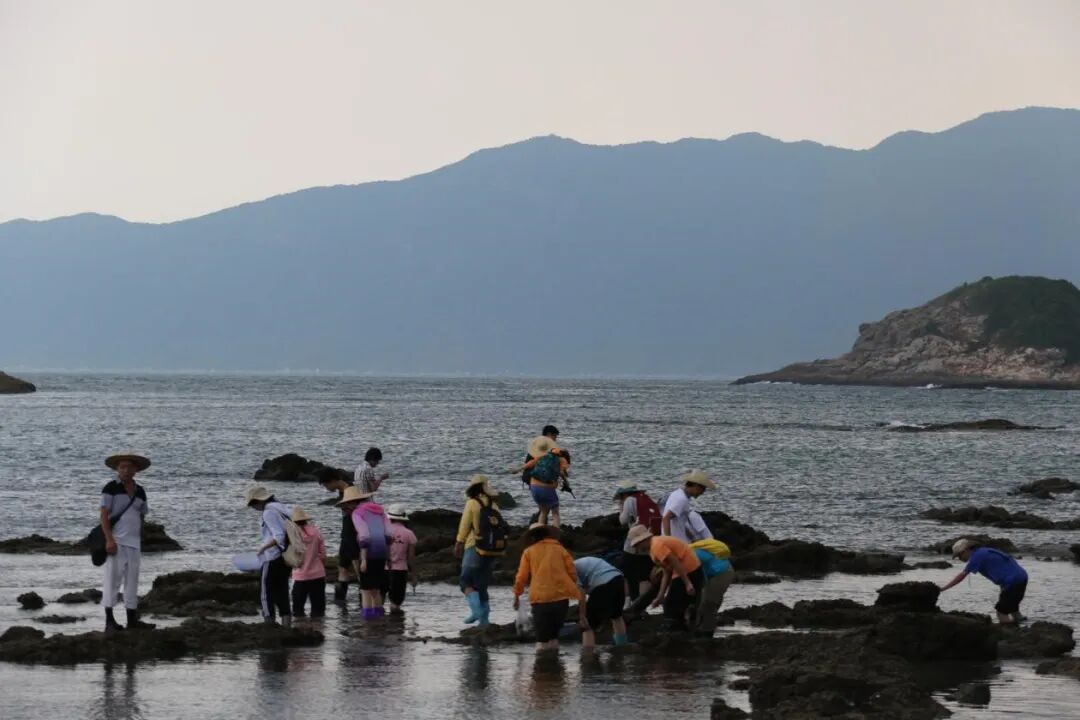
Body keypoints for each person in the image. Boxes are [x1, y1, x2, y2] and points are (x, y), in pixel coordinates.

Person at [100, 453, 154, 633]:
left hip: (134, 543)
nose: (125, 470)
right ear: (117, 469)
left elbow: (141, 515)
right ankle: (109, 621)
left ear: (136, 470)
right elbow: (104, 515)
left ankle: (132, 620)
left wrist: (142, 535)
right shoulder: (110, 487)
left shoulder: (140, 491)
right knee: (112, 581)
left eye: (129, 467)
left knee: (132, 581)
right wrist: (109, 539)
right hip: (117, 541)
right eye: (122, 467)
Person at [512, 524, 587, 653]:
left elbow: (521, 577)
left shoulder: (529, 552)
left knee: (541, 639)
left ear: (532, 537)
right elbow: (572, 572)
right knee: (554, 636)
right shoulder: (561, 549)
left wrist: (517, 596)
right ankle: (554, 663)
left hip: (540, 598)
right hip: (561, 598)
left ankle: (542, 663)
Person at [627, 524, 705, 630]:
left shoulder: (657, 546)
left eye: (637, 545)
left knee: (671, 605)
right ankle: (681, 628)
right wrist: (660, 596)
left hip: (689, 571)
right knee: (674, 603)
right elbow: (667, 571)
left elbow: (675, 561)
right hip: (686, 571)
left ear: (643, 540)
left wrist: (687, 583)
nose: (637, 548)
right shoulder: (653, 548)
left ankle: (676, 630)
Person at [940, 538, 1029, 624]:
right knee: (1013, 608)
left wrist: (944, 588)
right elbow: (1005, 566)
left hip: (1013, 581)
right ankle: (1023, 624)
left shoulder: (976, 557)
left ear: (966, 550)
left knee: (1001, 612)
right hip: (1021, 577)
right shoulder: (985, 551)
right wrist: (1004, 589)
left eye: (959, 555)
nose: (959, 558)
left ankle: (1010, 630)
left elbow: (961, 576)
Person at [454, 475, 503, 627]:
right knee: (482, 585)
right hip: (491, 549)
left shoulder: (472, 503)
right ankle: (484, 622)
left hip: (474, 546)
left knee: (465, 581)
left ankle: (476, 611)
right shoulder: (494, 505)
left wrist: (459, 542)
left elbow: (465, 524)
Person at [245, 485, 293, 626]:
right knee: (282, 590)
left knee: (265, 592)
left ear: (258, 501)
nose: (253, 508)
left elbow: (278, 536)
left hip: (272, 557)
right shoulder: (282, 508)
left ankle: (269, 623)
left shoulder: (268, 512)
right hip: (286, 557)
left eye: (253, 504)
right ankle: (286, 624)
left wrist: (262, 548)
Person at [317, 470, 359, 606]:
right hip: (346, 533)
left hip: (354, 533)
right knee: (342, 566)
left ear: (333, 480)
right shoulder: (343, 491)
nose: (326, 488)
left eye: (325, 485)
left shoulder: (351, 490)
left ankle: (364, 599)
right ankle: (340, 601)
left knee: (358, 566)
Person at [348, 488, 392, 618]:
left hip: (369, 553)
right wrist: (388, 557)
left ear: (354, 502)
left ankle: (367, 620)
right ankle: (378, 618)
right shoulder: (380, 511)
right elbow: (389, 534)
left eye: (348, 503)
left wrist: (363, 560)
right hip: (382, 552)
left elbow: (364, 536)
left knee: (365, 589)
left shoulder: (357, 513)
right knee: (376, 589)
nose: (347, 506)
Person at [615, 481, 662, 600]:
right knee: (644, 575)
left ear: (623, 494)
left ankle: (630, 601)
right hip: (649, 538)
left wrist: (621, 506)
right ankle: (643, 603)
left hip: (635, 541)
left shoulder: (629, 500)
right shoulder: (645, 498)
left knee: (628, 573)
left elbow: (623, 520)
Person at [511, 436, 570, 528]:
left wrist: (518, 469)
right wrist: (566, 482)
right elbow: (562, 473)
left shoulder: (542, 456)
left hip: (534, 487)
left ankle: (539, 531)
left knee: (543, 511)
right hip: (547, 488)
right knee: (555, 513)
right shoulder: (562, 460)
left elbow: (529, 464)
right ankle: (556, 532)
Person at [574, 556, 629, 647]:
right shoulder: (579, 563)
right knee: (616, 616)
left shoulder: (569, 570)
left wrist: (582, 615)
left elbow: (581, 592)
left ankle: (588, 653)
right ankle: (622, 646)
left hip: (603, 583)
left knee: (587, 625)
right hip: (618, 579)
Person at [690, 538, 734, 635]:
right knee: (707, 602)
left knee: (708, 604)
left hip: (722, 573)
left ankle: (707, 632)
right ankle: (704, 627)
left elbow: (702, 575)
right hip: (720, 572)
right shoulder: (692, 551)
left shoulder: (692, 555)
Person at [289, 507, 327, 618]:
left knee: (298, 610)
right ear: (305, 519)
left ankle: (300, 626)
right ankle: (318, 626)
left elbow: (290, 555)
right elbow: (323, 554)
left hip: (300, 575)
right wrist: (322, 567)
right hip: (318, 574)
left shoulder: (292, 535)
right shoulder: (316, 531)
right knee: (318, 609)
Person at [662, 470, 716, 542]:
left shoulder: (677, 493)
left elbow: (680, 521)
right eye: (703, 489)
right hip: (676, 542)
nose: (702, 493)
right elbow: (666, 518)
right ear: (696, 486)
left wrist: (693, 538)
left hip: (680, 540)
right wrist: (668, 541)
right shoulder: (682, 499)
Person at [386, 503, 417, 614]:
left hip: (383, 568)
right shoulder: (409, 534)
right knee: (396, 602)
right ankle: (395, 622)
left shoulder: (384, 530)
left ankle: (378, 622)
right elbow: (411, 557)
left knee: (378, 597)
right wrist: (413, 575)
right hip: (400, 570)